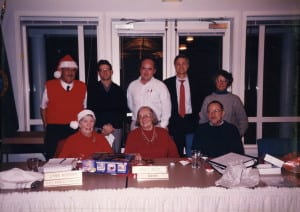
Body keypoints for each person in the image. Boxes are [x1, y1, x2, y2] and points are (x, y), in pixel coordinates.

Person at [40, 55, 87, 159]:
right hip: (54, 129)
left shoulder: (82, 87)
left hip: (74, 129)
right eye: (67, 70)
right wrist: (46, 125)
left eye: (73, 70)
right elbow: (43, 107)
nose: (70, 73)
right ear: (60, 71)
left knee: (74, 157)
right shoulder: (50, 86)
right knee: (52, 157)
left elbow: (85, 108)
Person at [87, 59, 127, 153]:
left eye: (107, 69)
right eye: (102, 70)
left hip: (115, 128)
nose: (105, 72)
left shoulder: (119, 90)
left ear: (111, 71)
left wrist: (111, 126)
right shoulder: (92, 90)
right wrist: (103, 126)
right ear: (98, 73)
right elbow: (91, 110)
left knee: (115, 156)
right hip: (98, 128)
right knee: (98, 155)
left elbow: (123, 111)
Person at [164, 54, 201, 157]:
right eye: (178, 64)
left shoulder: (197, 82)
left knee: (192, 153)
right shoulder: (167, 83)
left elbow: (200, 102)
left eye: (184, 63)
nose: (181, 66)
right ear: (175, 66)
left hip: (192, 121)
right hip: (175, 121)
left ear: (188, 65)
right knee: (176, 153)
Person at [198, 70, 248, 136]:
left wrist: (237, 136)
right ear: (215, 82)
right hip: (211, 136)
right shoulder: (208, 99)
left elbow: (243, 121)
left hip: (230, 136)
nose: (221, 83)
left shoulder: (235, 99)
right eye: (219, 80)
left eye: (224, 81)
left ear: (228, 82)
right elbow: (203, 120)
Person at [127, 57, 171, 130]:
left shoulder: (161, 86)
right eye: (144, 68)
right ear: (140, 69)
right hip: (137, 126)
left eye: (149, 69)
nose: (146, 72)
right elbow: (131, 105)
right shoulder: (132, 86)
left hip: (156, 126)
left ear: (154, 71)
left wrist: (162, 126)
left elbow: (167, 109)